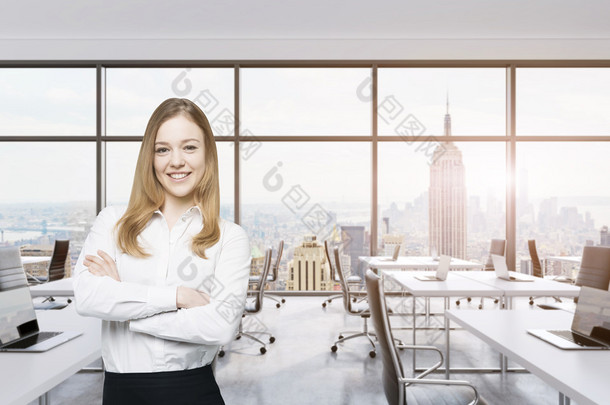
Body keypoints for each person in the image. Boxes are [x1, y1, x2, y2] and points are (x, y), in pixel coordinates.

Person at [73, 98, 251, 405]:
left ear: (207, 154)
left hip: (194, 391)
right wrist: (176, 297)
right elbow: (89, 297)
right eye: (163, 149)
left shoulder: (230, 238)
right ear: (150, 157)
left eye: (190, 147)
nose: (176, 161)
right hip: (121, 393)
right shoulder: (113, 222)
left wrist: (125, 307)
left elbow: (221, 326)